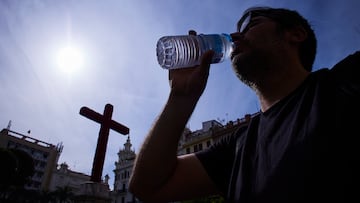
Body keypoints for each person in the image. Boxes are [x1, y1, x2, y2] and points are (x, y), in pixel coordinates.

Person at [129, 6, 360, 203]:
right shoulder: (239, 145)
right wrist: (181, 98)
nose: (236, 36)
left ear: (295, 35)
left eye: (251, 25)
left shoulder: (344, 84)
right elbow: (148, 187)